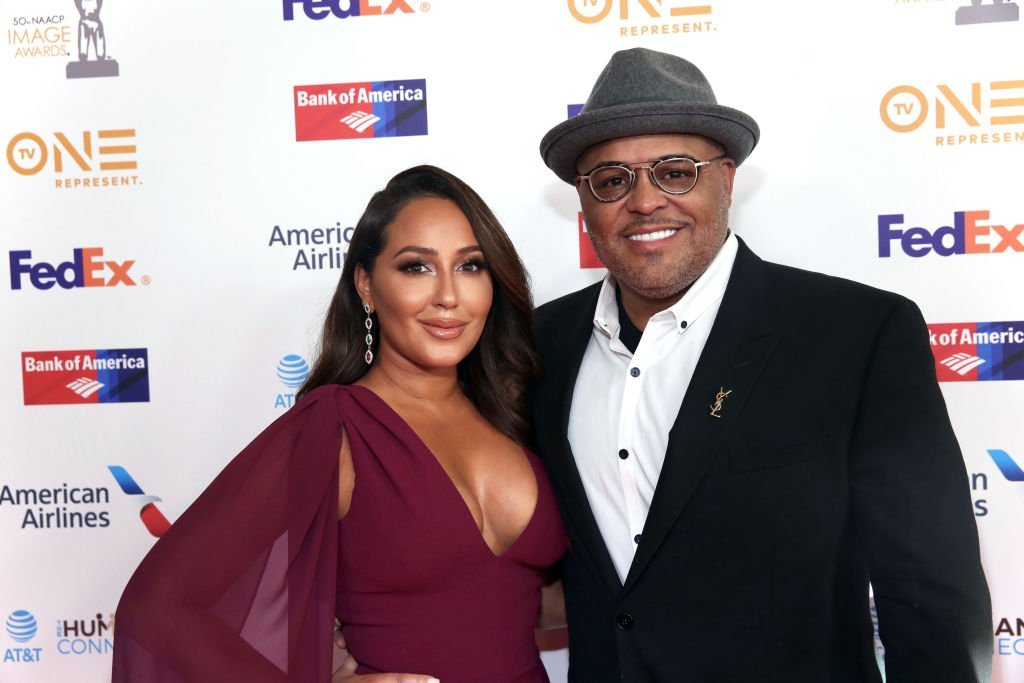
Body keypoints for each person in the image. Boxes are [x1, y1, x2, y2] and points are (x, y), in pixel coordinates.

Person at [529, 48, 993, 682]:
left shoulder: (855, 335)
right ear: (585, 201)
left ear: (727, 178)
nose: (642, 202)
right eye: (612, 179)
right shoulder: (537, 346)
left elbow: (928, 591)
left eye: (675, 172)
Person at [111, 165, 567, 682]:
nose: (448, 295)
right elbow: (159, 612)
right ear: (367, 286)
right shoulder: (335, 427)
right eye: (416, 268)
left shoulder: (515, 413)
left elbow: (528, 599)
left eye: (470, 267)